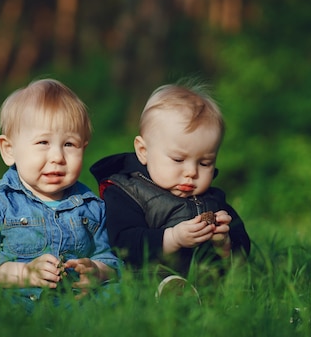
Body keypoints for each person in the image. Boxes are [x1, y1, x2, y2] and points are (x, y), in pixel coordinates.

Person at [0, 78, 120, 306]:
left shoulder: (92, 206)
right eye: (43, 142)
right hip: (11, 297)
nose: (57, 157)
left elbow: (111, 259)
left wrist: (97, 271)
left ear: (84, 147)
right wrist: (24, 273)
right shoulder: (0, 201)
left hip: (73, 301)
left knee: (119, 294)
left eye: (69, 144)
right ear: (9, 150)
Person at [90, 82, 250, 297]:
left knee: (225, 284)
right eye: (178, 159)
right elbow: (123, 243)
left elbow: (243, 249)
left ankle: (211, 296)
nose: (191, 172)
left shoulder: (213, 199)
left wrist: (225, 243)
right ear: (143, 151)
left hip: (205, 283)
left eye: (204, 163)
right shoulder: (127, 192)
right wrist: (173, 238)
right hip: (147, 282)